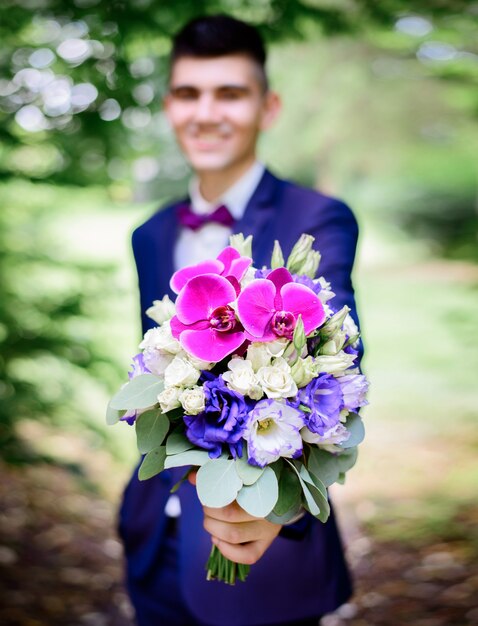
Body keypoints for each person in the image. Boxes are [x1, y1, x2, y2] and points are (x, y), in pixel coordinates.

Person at [119, 14, 360, 626]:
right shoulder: (150, 235)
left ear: (267, 106)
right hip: (155, 541)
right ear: (170, 105)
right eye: (188, 93)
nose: (206, 113)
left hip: (262, 553)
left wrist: (278, 510)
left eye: (229, 93)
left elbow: (338, 374)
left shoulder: (319, 218)